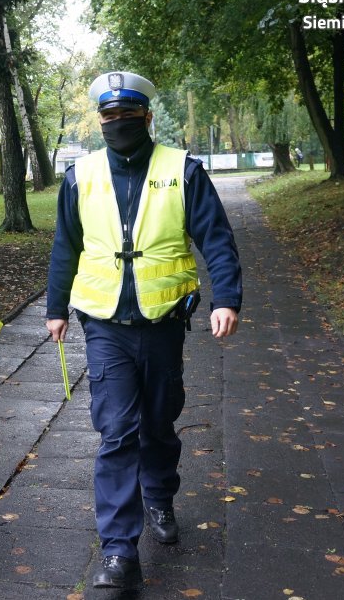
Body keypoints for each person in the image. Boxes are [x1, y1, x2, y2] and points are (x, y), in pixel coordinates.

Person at [45, 71, 242, 589]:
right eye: (109, 118)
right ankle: (118, 551)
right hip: (104, 325)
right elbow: (66, 246)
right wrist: (56, 308)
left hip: (163, 323)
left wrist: (227, 299)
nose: (118, 125)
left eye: (127, 117)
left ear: (147, 118)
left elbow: (216, 239)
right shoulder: (80, 175)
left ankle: (159, 496)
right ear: (100, 121)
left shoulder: (182, 171)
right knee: (116, 431)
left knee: (157, 422)